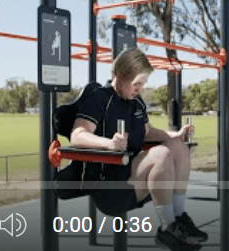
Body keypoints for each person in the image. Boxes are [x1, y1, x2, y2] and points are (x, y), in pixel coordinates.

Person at [70, 48, 207, 251]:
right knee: (162, 154)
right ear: (120, 75)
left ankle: (177, 218)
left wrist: (175, 135)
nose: (140, 89)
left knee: (179, 148)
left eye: (143, 83)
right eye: (137, 83)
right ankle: (167, 229)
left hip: (132, 174)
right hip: (109, 187)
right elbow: (77, 136)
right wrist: (108, 143)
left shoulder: (136, 102)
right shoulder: (99, 98)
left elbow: (148, 132)